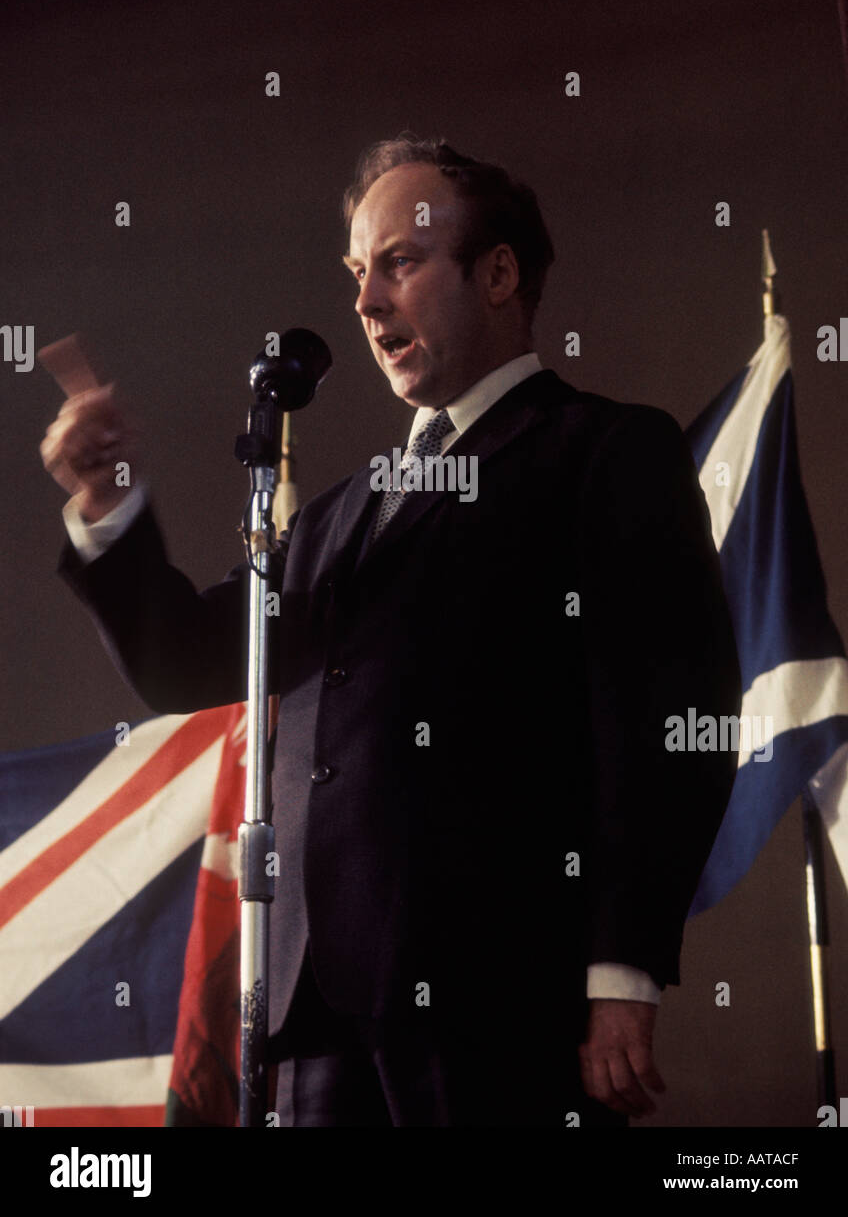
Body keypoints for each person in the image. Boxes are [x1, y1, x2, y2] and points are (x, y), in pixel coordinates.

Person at [41, 135, 741, 1127]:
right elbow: (190, 660)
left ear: (495, 272)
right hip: (308, 1016)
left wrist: (620, 968)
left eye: (400, 264)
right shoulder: (340, 514)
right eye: (357, 273)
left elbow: (669, 722)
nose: (366, 304)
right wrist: (106, 503)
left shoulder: (603, 451)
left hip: (499, 1006)